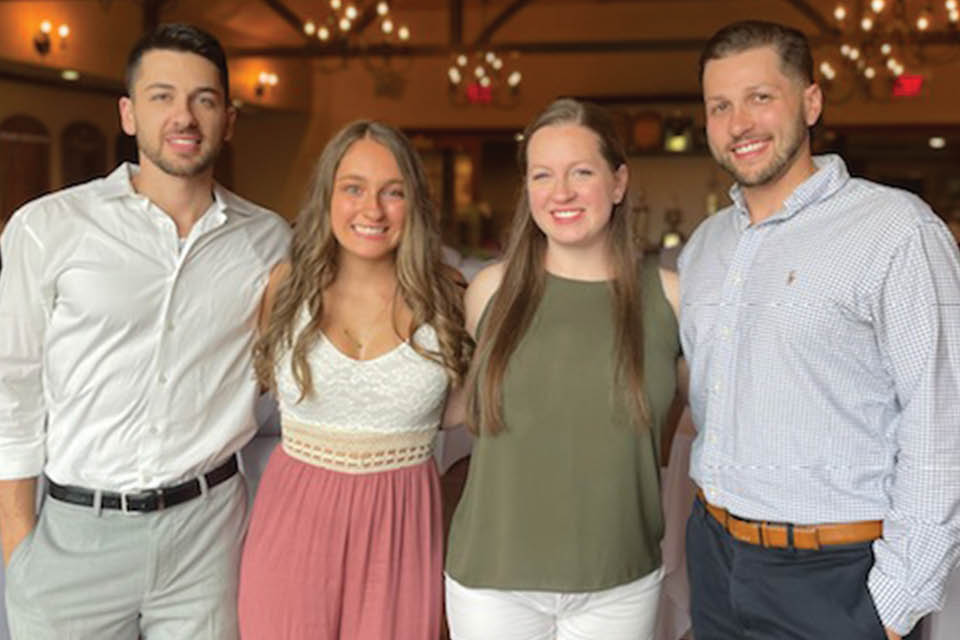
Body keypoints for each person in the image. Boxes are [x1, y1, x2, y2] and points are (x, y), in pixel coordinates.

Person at [0, 23, 290, 639]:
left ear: (229, 119)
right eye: (162, 96)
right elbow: (12, 390)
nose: (183, 116)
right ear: (128, 114)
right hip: (73, 537)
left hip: (208, 538)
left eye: (204, 100)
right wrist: (20, 550)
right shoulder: (46, 229)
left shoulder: (271, 242)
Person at [679, 20, 960, 640]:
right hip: (718, 555)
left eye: (760, 97)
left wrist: (894, 603)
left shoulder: (895, 231)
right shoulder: (705, 247)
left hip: (836, 575)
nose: (739, 123)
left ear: (810, 101)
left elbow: (942, 422)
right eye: (720, 106)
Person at [444, 98, 681, 640]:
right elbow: (447, 409)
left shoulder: (669, 298)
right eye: (543, 175)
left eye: (582, 172)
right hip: (492, 580)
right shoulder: (490, 290)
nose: (562, 192)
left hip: (620, 581)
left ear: (619, 182)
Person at [236, 120, 472, 639]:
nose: (372, 210)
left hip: (402, 534)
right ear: (327, 196)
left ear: (415, 203)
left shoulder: (450, 297)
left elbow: (468, 411)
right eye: (354, 189)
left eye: (393, 192)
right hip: (291, 532)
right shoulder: (285, 288)